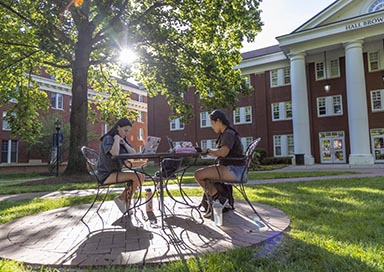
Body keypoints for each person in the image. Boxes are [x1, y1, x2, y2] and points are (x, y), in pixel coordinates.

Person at [194, 110, 246, 217]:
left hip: (234, 170)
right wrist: (207, 151)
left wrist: (208, 151)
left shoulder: (228, 134)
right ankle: (217, 200)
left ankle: (219, 199)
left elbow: (223, 152)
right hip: (235, 169)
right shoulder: (227, 133)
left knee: (198, 175)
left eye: (213, 124)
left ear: (218, 121)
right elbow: (222, 153)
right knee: (205, 176)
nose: (212, 127)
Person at [97, 117, 145, 214]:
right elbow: (114, 153)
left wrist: (124, 144)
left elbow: (134, 154)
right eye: (125, 130)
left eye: (128, 131)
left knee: (141, 176)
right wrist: (116, 140)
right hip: (106, 175)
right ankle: (122, 200)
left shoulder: (123, 140)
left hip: (116, 173)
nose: (126, 133)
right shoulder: (108, 138)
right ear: (118, 127)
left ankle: (124, 201)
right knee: (138, 177)